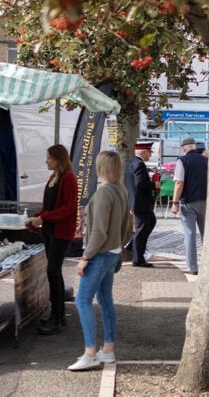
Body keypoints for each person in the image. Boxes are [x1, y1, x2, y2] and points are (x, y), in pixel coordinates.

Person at [68, 151, 132, 371]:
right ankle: (108, 350)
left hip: (101, 253)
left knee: (83, 300)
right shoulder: (120, 190)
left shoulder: (105, 192)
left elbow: (99, 231)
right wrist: (119, 248)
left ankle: (90, 352)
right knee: (105, 301)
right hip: (112, 252)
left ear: (101, 167)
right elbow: (126, 227)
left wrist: (85, 258)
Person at [26, 144, 78, 335]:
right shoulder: (53, 177)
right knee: (54, 273)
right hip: (50, 231)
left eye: (49, 157)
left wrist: (43, 218)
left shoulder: (68, 178)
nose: (46, 161)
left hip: (61, 233)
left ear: (58, 159)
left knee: (53, 272)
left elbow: (67, 209)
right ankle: (58, 315)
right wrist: (36, 218)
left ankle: (57, 317)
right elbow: (48, 206)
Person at [170, 137, 208, 275]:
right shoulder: (206, 160)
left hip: (189, 203)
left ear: (184, 148)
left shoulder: (182, 161)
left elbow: (179, 183)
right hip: (206, 201)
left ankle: (192, 267)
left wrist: (175, 203)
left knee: (190, 234)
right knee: (207, 235)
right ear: (195, 147)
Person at [124, 142, 158, 267]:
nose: (150, 155)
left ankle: (132, 245)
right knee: (141, 230)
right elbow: (140, 183)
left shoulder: (131, 163)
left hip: (137, 202)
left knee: (151, 222)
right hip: (141, 202)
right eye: (150, 152)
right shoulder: (139, 164)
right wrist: (154, 185)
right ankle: (138, 258)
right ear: (144, 152)